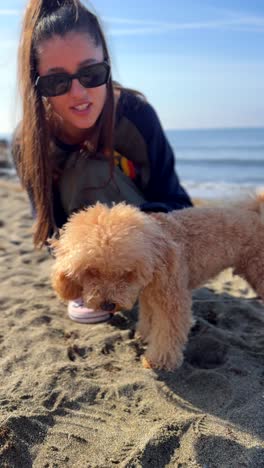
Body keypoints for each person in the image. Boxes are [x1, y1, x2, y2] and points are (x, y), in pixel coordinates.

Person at [12, 0, 193, 323]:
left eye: (92, 73)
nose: (79, 94)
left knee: (96, 167)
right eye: (56, 82)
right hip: (86, 263)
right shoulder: (27, 141)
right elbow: (48, 224)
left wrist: (139, 245)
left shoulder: (136, 114)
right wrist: (83, 271)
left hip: (146, 250)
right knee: (86, 167)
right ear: (36, 84)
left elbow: (177, 203)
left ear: (106, 64)